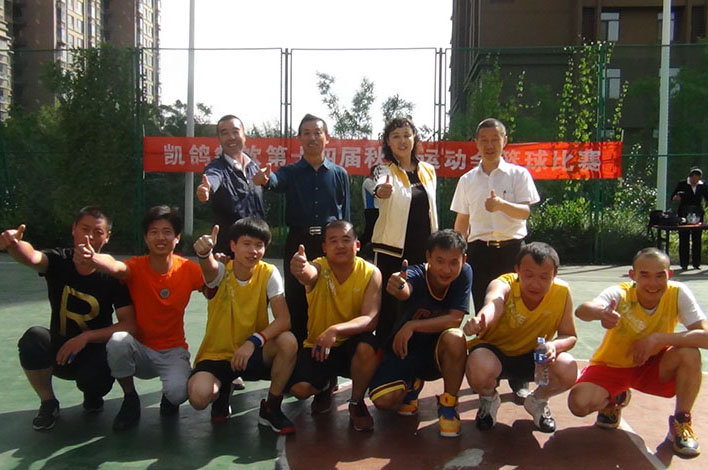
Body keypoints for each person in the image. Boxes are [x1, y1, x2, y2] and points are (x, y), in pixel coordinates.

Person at [0, 207, 136, 431]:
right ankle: (48, 402)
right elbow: (32, 257)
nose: (89, 237)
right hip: (59, 351)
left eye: (98, 232)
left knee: (98, 375)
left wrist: (86, 337)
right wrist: (14, 244)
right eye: (84, 229)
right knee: (33, 338)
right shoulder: (59, 260)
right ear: (74, 229)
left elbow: (128, 324)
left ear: (107, 237)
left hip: (94, 353)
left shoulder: (111, 274)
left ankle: (93, 396)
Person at [568, 247, 708, 457]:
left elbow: (705, 336)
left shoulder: (678, 293)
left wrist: (658, 338)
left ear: (669, 275)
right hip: (613, 366)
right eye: (644, 275)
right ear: (632, 275)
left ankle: (681, 422)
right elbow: (583, 310)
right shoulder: (620, 293)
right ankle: (616, 398)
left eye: (660, 275)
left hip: (654, 366)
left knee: (689, 353)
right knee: (579, 404)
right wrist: (601, 313)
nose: (653, 283)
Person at [80, 205, 205, 431]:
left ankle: (169, 395)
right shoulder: (135, 267)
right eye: (153, 232)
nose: (160, 237)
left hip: (173, 350)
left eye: (167, 232)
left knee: (178, 394)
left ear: (177, 238)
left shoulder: (187, 268)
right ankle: (130, 398)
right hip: (138, 349)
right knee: (118, 341)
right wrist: (94, 258)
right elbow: (116, 267)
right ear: (146, 238)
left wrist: (213, 260)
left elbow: (211, 287)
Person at [450, 117, 540, 399]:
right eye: (484, 140)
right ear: (476, 144)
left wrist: (501, 205)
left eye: (495, 139)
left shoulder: (518, 174)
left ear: (505, 141)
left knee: (517, 313)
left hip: (514, 250)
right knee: (484, 313)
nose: (489, 145)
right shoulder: (467, 180)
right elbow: (462, 220)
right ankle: (488, 378)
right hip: (479, 252)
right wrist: (457, 252)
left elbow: (525, 212)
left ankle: (520, 378)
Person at [187, 218, 298, 434]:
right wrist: (204, 254)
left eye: (259, 245)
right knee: (199, 397)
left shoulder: (269, 273)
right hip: (217, 355)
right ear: (233, 245)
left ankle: (271, 408)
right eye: (246, 244)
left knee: (288, 341)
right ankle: (222, 391)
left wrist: (253, 342)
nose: (253, 251)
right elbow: (209, 270)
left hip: (252, 353)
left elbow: (284, 319)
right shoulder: (221, 271)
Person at [253, 114, 350, 346]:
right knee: (297, 298)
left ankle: (330, 355)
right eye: (306, 133)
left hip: (330, 244)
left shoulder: (339, 174)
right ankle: (297, 356)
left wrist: (346, 245)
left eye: (317, 132)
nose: (312, 137)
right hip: (299, 242)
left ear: (327, 137)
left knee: (330, 297)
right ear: (299, 139)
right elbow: (275, 181)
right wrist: (265, 179)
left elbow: (345, 215)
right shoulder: (291, 171)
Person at [464, 242, 577, 433]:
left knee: (568, 367)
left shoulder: (563, 292)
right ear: (517, 270)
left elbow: (570, 335)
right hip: (496, 354)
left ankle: (538, 401)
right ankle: (489, 399)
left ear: (555, 274)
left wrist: (553, 346)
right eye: (529, 275)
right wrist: (482, 320)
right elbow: (495, 302)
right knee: (477, 364)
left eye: (544, 277)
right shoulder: (504, 283)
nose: (535, 284)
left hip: (535, 357)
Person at [369, 229, 470, 438]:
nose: (446, 269)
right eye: (440, 261)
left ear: (464, 260)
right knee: (383, 400)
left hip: (436, 354)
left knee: (456, 338)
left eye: (454, 262)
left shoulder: (465, 273)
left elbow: (455, 319)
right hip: (405, 349)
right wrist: (399, 287)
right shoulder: (416, 273)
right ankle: (411, 385)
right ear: (428, 257)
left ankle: (449, 405)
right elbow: (405, 289)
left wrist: (412, 326)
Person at [287, 220, 381, 432]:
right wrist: (300, 268)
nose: (340, 245)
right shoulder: (319, 267)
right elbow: (308, 273)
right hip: (319, 347)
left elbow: (370, 319)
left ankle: (356, 402)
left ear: (357, 245)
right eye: (333, 241)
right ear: (324, 247)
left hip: (350, 344)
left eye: (346, 240)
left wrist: (336, 330)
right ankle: (325, 385)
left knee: (367, 348)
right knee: (299, 389)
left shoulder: (371, 272)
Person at [371, 117, 437, 343]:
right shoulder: (383, 170)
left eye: (407, 135)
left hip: (423, 251)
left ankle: (416, 355)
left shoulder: (428, 170)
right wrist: (381, 191)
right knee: (390, 308)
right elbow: (378, 186)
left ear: (415, 138)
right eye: (396, 136)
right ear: (388, 142)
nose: (402, 141)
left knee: (420, 305)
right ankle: (384, 355)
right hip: (391, 252)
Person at [195, 115, 265, 256]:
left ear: (244, 135)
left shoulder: (254, 168)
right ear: (219, 139)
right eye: (224, 133)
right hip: (227, 254)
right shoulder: (217, 167)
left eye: (235, 131)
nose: (231, 137)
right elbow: (212, 177)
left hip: (256, 251)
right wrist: (206, 188)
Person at [670, 167, 708, 270]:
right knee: (684, 238)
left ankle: (696, 263)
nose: (695, 180)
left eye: (697, 178)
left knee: (697, 238)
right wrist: (676, 198)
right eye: (693, 178)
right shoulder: (682, 184)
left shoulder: (702, 185)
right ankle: (684, 263)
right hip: (684, 213)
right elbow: (673, 197)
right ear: (690, 177)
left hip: (697, 214)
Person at [359, 165, 379, 259]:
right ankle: (357, 248)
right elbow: (375, 192)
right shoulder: (368, 181)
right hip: (371, 210)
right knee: (368, 233)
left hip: (378, 210)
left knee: (374, 233)